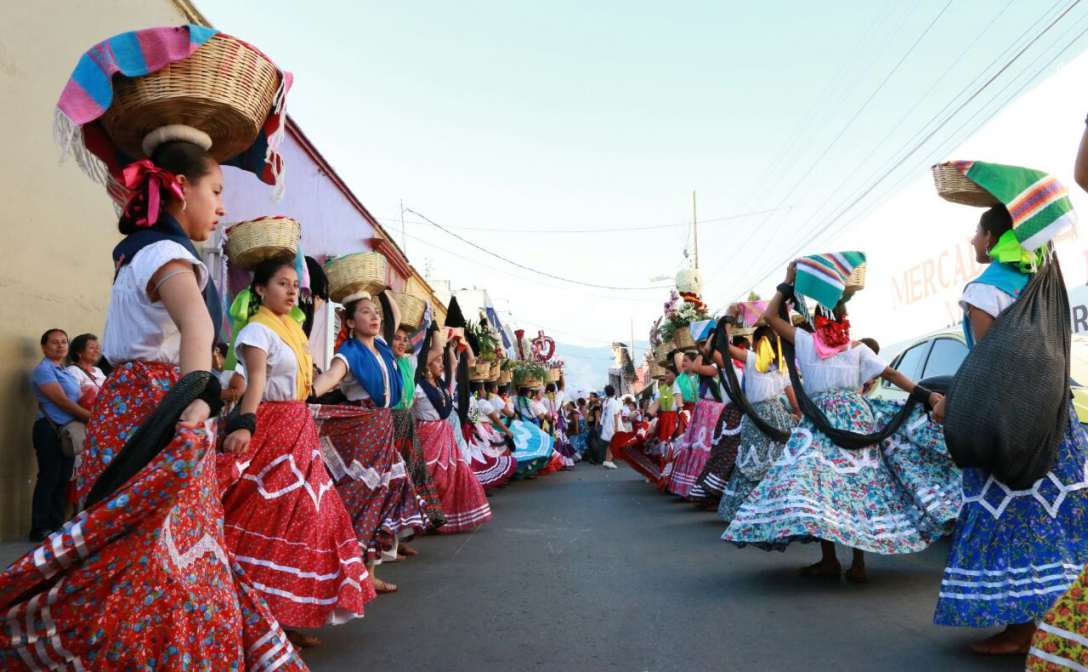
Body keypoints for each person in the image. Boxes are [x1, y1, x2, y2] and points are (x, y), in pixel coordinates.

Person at [3, 136, 305, 668]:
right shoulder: (165, 253)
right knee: (159, 547)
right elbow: (199, 324)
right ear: (180, 189)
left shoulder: (140, 253)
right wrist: (195, 401)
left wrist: (194, 397)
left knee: (133, 542)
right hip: (154, 406)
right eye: (215, 190)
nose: (222, 205)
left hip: (133, 405)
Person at [722, 261, 958, 584]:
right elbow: (891, 374)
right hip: (854, 419)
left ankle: (832, 560)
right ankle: (854, 563)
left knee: (825, 491)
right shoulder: (854, 348)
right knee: (855, 488)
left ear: (818, 321)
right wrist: (928, 396)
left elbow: (771, 318)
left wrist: (787, 284)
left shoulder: (807, 342)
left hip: (821, 422)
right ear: (845, 320)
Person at [931, 205, 1088, 656]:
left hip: (1011, 427)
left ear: (994, 236)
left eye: (977, 232)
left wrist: (950, 403)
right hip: (1058, 424)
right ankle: (1061, 623)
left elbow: (990, 370)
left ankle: (1019, 631)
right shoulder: (1044, 285)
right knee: (1058, 521)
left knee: (1011, 520)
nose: (972, 240)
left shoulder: (984, 290)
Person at [218, 258, 371, 646]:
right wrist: (243, 425)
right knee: (267, 518)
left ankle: (281, 615)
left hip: (299, 431)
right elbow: (255, 383)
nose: (290, 291)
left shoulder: (293, 330)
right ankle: (250, 612)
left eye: (293, 285)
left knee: (310, 517)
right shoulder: (257, 331)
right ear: (259, 290)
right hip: (270, 430)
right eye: (281, 284)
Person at [311, 291, 427, 593]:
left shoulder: (383, 349)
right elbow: (330, 378)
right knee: (360, 497)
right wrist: (308, 390)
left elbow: (395, 318)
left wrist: (382, 294)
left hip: (383, 426)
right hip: (361, 432)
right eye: (365, 312)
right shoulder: (348, 354)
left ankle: (368, 573)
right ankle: (340, 570)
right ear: (350, 321)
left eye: (376, 312)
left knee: (384, 494)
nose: (375, 317)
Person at [717, 321, 800, 524]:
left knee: (751, 460)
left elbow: (723, 347)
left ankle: (746, 511)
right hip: (778, 417)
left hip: (756, 417)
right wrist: (799, 417)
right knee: (775, 462)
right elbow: (794, 402)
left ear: (758, 344)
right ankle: (775, 512)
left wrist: (726, 326)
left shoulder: (752, 359)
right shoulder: (783, 367)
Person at [414, 344, 493, 532]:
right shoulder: (418, 387)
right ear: (426, 365)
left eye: (441, 361)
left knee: (452, 475)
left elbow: (454, 363)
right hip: (426, 433)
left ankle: (443, 516)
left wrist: (450, 345)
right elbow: (408, 407)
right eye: (437, 361)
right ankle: (424, 518)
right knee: (431, 476)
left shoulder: (441, 383)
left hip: (444, 433)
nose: (442, 365)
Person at [29, 329, 89, 541]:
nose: (60, 346)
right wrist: (90, 417)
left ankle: (56, 525)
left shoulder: (64, 370)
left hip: (67, 433)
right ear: (44, 347)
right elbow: (62, 401)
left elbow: (79, 396)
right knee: (48, 477)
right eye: (54, 342)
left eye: (64, 342)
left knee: (63, 478)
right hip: (49, 429)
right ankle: (39, 528)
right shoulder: (43, 370)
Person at [391, 324, 446, 539]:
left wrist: (433, 328)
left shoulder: (409, 362)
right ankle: (393, 538)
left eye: (405, 339)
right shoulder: (384, 361)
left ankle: (407, 534)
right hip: (388, 423)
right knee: (394, 478)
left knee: (413, 474)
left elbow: (438, 350)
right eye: (397, 338)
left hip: (405, 423)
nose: (402, 342)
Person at [667, 350, 725, 497]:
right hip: (697, 413)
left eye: (686, 360)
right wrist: (683, 412)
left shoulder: (714, 369)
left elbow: (696, 369)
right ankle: (691, 486)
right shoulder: (680, 379)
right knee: (693, 447)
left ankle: (703, 487)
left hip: (712, 412)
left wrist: (702, 351)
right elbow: (679, 399)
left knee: (706, 447)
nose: (682, 364)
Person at [65, 333, 107, 410]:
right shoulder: (73, 371)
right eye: (92, 348)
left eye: (98, 347)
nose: (97, 351)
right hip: (88, 414)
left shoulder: (98, 370)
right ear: (79, 353)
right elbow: (74, 397)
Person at [599, 385, 621, 469]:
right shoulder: (614, 402)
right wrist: (616, 426)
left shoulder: (605, 402)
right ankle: (608, 461)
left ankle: (607, 460)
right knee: (613, 443)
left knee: (609, 443)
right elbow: (616, 415)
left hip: (606, 424)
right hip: (612, 424)